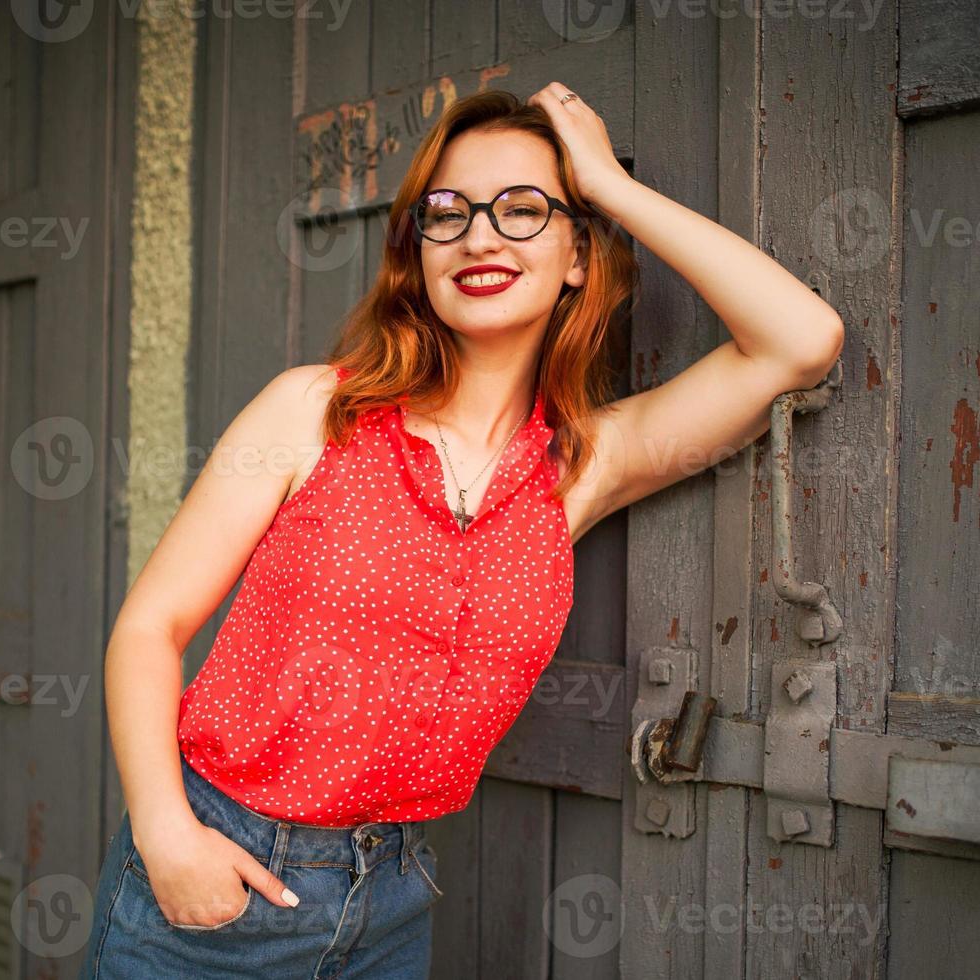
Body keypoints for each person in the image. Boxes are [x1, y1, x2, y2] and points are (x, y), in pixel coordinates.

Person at [80, 83, 843, 978]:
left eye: (523, 210)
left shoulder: (579, 468)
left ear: (577, 257)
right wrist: (168, 837)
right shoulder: (314, 411)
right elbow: (149, 628)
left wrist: (606, 182)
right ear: (420, 254)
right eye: (448, 214)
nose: (480, 236)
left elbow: (802, 338)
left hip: (392, 901)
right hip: (216, 876)